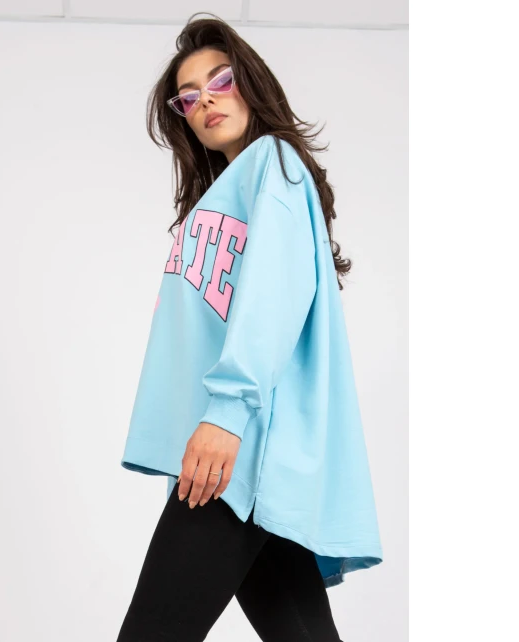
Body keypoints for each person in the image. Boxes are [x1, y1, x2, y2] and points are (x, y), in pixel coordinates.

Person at [117, 13, 383, 642]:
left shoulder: (274, 162)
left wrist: (227, 413)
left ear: (251, 82)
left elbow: (273, 297)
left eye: (221, 80)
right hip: (241, 451)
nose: (205, 100)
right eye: (188, 97)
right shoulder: (225, 192)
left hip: (240, 445)